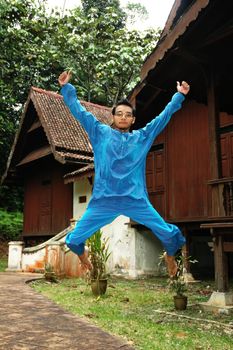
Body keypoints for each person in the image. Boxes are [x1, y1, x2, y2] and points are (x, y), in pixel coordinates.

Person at [58, 71, 190, 277]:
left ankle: (170, 256)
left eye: (128, 115)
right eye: (119, 113)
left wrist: (179, 96)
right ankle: (83, 256)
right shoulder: (100, 132)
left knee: (169, 234)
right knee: (74, 240)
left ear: (133, 120)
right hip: (104, 200)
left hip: (135, 199)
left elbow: (162, 118)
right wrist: (67, 88)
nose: (123, 117)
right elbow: (79, 112)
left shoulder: (142, 137)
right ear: (113, 117)